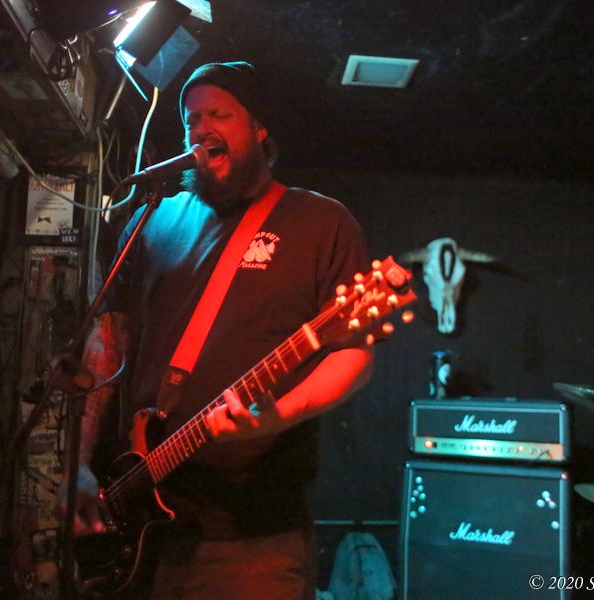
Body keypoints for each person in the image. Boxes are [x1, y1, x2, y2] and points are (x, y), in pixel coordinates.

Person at [61, 61, 374, 600]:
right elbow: (108, 341)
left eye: (220, 115)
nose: (202, 128)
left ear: (260, 128)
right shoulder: (152, 219)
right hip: (137, 517)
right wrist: (80, 464)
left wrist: (277, 416)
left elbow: (354, 354)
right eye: (192, 119)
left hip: (250, 537)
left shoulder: (320, 223)